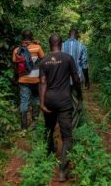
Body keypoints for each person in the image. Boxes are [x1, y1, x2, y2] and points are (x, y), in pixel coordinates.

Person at [39, 34, 82, 182]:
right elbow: (76, 78)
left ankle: (49, 153)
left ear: (49, 44)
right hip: (64, 102)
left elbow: (42, 83)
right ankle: (63, 171)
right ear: (61, 44)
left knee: (49, 129)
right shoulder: (68, 58)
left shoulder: (43, 61)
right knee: (67, 137)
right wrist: (80, 96)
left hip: (49, 100)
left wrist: (42, 103)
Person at [12, 29, 45, 129]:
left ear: (22, 37)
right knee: (36, 99)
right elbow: (43, 59)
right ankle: (34, 122)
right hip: (35, 79)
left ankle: (24, 126)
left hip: (23, 80)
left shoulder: (17, 50)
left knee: (24, 101)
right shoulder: (37, 47)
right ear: (32, 37)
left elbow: (14, 61)